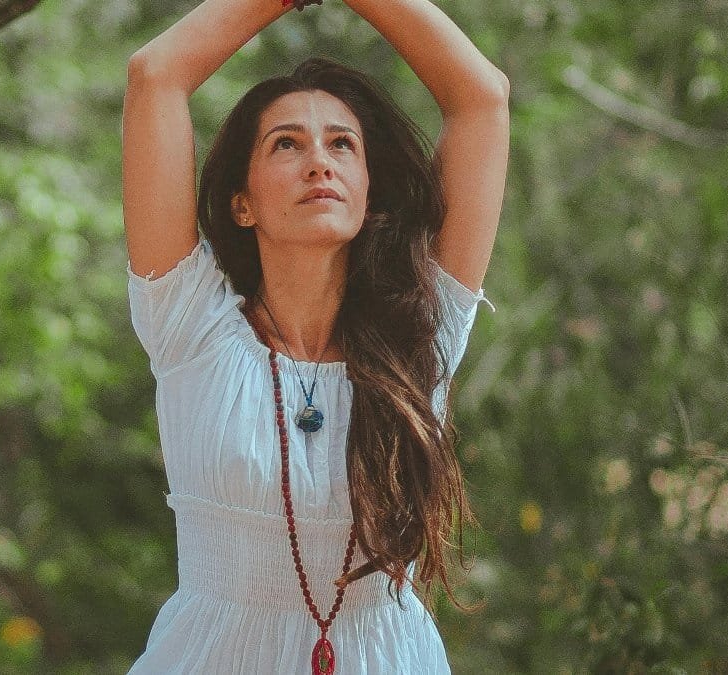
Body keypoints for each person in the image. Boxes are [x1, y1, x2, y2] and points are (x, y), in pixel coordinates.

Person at [122, 0, 509, 671]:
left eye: (342, 144)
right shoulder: (191, 325)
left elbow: (482, 98)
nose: (318, 162)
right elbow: (155, 74)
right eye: (286, 143)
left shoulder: (421, 330)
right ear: (242, 202)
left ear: (368, 191)